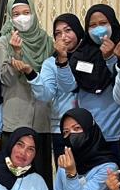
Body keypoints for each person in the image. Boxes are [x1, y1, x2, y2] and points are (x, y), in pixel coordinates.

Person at [53, 5, 120, 158]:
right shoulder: (81, 54)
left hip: (119, 133)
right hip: (89, 134)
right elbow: (69, 86)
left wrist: (111, 58)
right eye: (92, 25)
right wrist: (63, 60)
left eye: (103, 23)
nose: (98, 29)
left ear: (112, 23)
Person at [0, 0, 56, 184]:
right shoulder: (4, 42)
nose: (22, 17)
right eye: (16, 14)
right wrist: (17, 53)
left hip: (42, 120)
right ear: (10, 18)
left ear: (34, 13)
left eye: (26, 12)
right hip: (15, 121)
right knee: (11, 177)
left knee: (41, 177)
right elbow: (5, 79)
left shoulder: (47, 42)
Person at [27, 13, 82, 158]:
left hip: (88, 126)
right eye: (58, 33)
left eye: (68, 30)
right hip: (61, 128)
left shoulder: (90, 56)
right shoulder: (51, 63)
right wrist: (31, 74)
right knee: (64, 170)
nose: (63, 37)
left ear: (77, 30)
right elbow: (45, 95)